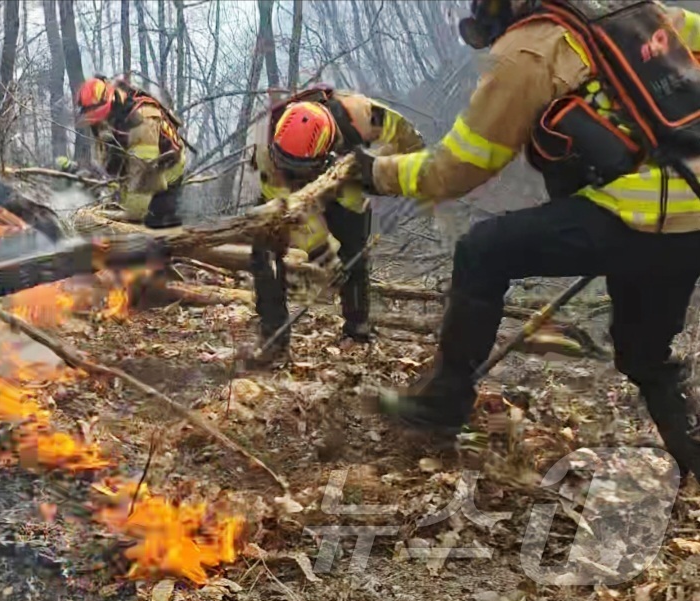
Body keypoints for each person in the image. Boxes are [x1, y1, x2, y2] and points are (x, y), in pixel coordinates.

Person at [350, 0, 700, 481]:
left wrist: (377, 173)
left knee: (482, 250)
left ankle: (445, 400)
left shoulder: (530, 49)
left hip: (638, 216)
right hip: (689, 219)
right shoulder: (639, 11)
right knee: (644, 355)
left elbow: (457, 167)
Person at [249, 87, 425, 363]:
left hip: (346, 176)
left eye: (300, 169)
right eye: (287, 165)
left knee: (353, 253)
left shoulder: (362, 114)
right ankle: (274, 336)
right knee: (265, 250)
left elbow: (415, 146)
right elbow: (281, 215)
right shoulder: (268, 150)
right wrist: (320, 252)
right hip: (290, 192)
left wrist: (393, 180)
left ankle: (357, 330)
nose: (294, 173)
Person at [74, 76, 187, 229]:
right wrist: (112, 198)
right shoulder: (109, 121)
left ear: (110, 101)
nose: (97, 122)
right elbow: (111, 167)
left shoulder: (143, 120)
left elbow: (145, 175)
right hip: (136, 164)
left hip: (165, 168)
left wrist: (127, 214)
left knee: (154, 223)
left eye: (98, 116)